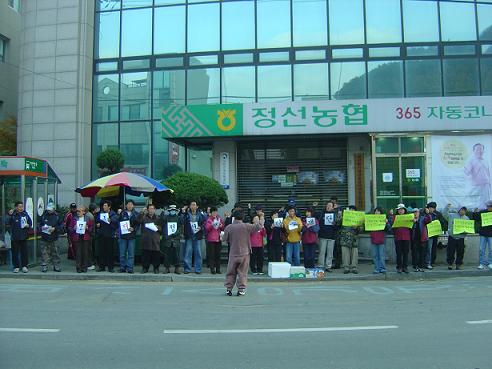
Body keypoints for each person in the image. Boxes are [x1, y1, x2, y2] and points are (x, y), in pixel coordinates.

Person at [223, 210, 264, 296]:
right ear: (243, 217)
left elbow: (224, 239)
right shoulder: (247, 226)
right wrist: (261, 217)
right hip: (244, 253)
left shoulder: (229, 227)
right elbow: (259, 226)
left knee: (231, 271)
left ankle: (228, 288)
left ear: (234, 217)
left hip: (233, 252)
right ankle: (241, 289)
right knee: (242, 272)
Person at [181, 201, 206, 274]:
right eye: (191, 205)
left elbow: (204, 223)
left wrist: (200, 227)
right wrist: (183, 212)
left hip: (197, 236)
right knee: (188, 252)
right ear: (189, 206)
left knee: (198, 253)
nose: (193, 206)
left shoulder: (200, 215)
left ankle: (198, 269)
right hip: (189, 235)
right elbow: (182, 221)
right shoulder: (186, 214)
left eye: (194, 205)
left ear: (197, 206)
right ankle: (187, 269)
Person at [7, 201, 32, 273]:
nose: (21, 208)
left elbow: (30, 223)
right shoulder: (13, 215)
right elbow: (7, 222)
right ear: (16, 207)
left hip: (24, 236)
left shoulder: (25, 214)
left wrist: (28, 225)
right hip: (15, 237)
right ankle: (16, 266)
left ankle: (24, 266)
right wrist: (9, 215)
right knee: (15, 252)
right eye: (19, 206)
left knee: (24, 252)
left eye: (22, 206)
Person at [464, 143, 491, 210]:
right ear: (474, 151)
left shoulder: (485, 161)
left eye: (481, 149)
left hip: (486, 186)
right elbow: (466, 173)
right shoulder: (471, 161)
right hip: (477, 187)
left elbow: (488, 174)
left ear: (483, 151)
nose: (479, 151)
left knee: (486, 204)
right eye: (477, 149)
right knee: (478, 205)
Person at [138, 204, 163, 273]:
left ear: (154, 210)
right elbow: (138, 221)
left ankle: (156, 268)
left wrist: (158, 227)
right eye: (150, 209)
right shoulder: (144, 217)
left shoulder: (158, 218)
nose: (151, 210)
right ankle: (145, 268)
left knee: (156, 255)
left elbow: (162, 229)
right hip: (146, 239)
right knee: (145, 255)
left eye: (152, 209)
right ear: (147, 210)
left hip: (155, 239)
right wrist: (141, 212)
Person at [38, 204, 63, 273]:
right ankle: (44, 265)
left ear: (54, 209)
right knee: (44, 252)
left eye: (50, 209)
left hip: (54, 237)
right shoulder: (43, 216)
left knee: (55, 252)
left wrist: (55, 228)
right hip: (44, 237)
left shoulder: (57, 216)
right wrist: (41, 228)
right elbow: (39, 225)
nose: (49, 211)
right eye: (48, 209)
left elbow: (61, 226)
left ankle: (56, 265)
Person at [443, 204, 469, 270]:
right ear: (459, 210)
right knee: (450, 251)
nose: (463, 211)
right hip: (452, 237)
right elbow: (444, 214)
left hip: (461, 238)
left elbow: (468, 227)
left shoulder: (466, 218)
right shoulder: (451, 215)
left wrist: (467, 233)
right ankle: (450, 264)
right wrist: (447, 207)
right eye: (462, 210)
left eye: (464, 210)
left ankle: (458, 264)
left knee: (460, 252)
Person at [336, 205, 361, 274]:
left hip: (354, 239)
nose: (351, 211)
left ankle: (354, 267)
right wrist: (339, 216)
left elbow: (361, 229)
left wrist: (357, 228)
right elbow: (337, 224)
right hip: (345, 238)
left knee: (354, 254)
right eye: (350, 209)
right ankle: (346, 267)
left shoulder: (358, 218)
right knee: (345, 254)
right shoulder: (344, 218)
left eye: (353, 210)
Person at [117, 200, 139, 274]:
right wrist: (118, 214)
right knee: (122, 253)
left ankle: (130, 268)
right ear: (126, 205)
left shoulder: (136, 214)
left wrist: (134, 228)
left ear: (133, 206)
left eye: (131, 204)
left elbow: (137, 224)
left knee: (131, 253)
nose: (129, 206)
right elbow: (118, 222)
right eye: (128, 204)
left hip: (132, 236)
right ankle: (122, 267)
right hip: (123, 236)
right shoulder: (122, 213)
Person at [95, 200, 118, 272]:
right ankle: (101, 266)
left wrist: (110, 221)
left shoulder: (113, 214)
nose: (104, 207)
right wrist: (98, 224)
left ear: (109, 207)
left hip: (110, 235)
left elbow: (116, 224)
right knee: (101, 251)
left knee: (110, 252)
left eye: (105, 206)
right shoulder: (101, 213)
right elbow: (97, 221)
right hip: (102, 235)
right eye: (103, 206)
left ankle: (110, 267)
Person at [70, 206, 94, 273]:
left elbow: (91, 227)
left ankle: (84, 267)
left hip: (85, 237)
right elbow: (70, 228)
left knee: (85, 253)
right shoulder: (74, 218)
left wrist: (87, 228)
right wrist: (74, 228)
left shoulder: (88, 218)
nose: (78, 212)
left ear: (83, 212)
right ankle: (78, 267)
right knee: (78, 253)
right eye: (77, 211)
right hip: (77, 237)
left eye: (80, 211)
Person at [161, 205, 183, 274]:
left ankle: (177, 268)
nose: (172, 211)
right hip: (168, 239)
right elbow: (164, 227)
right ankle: (167, 268)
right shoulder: (166, 218)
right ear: (169, 211)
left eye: (174, 210)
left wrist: (176, 233)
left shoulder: (179, 218)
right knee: (167, 254)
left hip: (176, 238)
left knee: (176, 254)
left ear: (176, 211)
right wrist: (166, 235)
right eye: (171, 210)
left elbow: (180, 228)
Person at [316, 201, 337, 272]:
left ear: (333, 207)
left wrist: (335, 224)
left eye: (330, 205)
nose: (328, 207)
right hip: (322, 236)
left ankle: (328, 266)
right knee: (322, 252)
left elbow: (338, 226)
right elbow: (314, 216)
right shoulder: (322, 213)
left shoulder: (335, 215)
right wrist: (314, 207)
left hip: (332, 236)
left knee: (330, 253)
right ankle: (320, 265)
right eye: (327, 205)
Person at [392, 204, 413, 274]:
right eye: (399, 210)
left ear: (404, 210)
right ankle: (399, 267)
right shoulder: (394, 217)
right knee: (399, 253)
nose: (401, 211)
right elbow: (392, 226)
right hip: (398, 237)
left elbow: (412, 227)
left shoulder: (409, 217)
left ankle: (405, 267)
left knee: (405, 253)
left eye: (402, 209)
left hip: (406, 237)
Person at [471, 200, 492, 269]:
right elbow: (476, 218)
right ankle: (481, 263)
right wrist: (474, 212)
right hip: (483, 233)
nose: (488, 207)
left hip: (491, 235)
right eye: (488, 206)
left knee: (491, 250)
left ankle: (490, 263)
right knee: (481, 249)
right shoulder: (483, 212)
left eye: (490, 206)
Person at [204, 206, 225, 274]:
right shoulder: (209, 219)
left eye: (216, 212)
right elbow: (207, 228)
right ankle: (212, 269)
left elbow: (223, 227)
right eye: (213, 212)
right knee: (212, 255)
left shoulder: (219, 219)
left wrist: (221, 226)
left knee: (218, 255)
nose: (215, 213)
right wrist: (212, 225)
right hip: (211, 239)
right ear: (211, 213)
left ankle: (218, 269)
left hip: (218, 239)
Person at [369, 207, 389, 274]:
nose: (377, 212)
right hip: (373, 239)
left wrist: (386, 223)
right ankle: (376, 268)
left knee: (381, 255)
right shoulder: (371, 220)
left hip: (381, 239)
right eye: (375, 211)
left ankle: (382, 268)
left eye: (378, 211)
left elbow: (389, 229)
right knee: (375, 255)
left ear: (381, 212)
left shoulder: (383, 219)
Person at [411, 208, 428, 272]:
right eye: (414, 212)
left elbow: (429, 220)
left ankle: (421, 266)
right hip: (414, 239)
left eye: (416, 212)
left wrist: (427, 213)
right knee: (415, 253)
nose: (415, 213)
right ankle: (415, 266)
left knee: (422, 253)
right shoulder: (411, 219)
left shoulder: (423, 218)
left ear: (419, 213)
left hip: (422, 239)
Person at [423, 202, 440, 269]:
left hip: (433, 234)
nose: (432, 209)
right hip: (426, 234)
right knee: (427, 250)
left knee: (431, 249)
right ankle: (426, 262)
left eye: (433, 208)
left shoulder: (435, 215)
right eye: (430, 208)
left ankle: (430, 262)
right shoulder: (424, 214)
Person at [86, 203, 99, 270]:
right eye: (96, 208)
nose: (98, 209)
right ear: (94, 209)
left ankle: (91, 262)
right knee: (90, 250)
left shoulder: (90, 215)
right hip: (90, 235)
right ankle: (89, 263)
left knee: (91, 249)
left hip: (91, 234)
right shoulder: (90, 216)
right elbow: (91, 226)